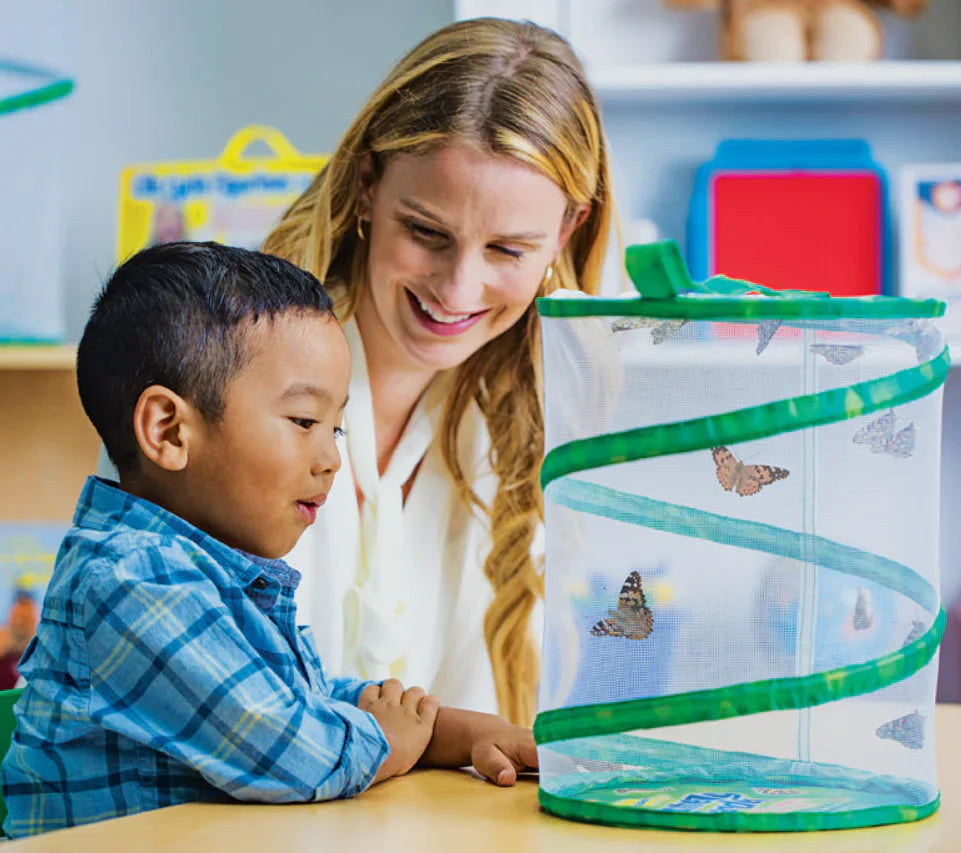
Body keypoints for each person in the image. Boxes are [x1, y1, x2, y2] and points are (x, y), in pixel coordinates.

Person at [2, 242, 535, 838]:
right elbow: (291, 753)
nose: (332, 458)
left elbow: (304, 695)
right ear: (168, 430)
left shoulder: (213, 571)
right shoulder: (131, 580)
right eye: (305, 422)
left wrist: (450, 730)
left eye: (336, 427)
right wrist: (387, 738)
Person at [261, 17, 615, 726]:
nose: (457, 290)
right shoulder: (223, 356)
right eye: (426, 233)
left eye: (508, 250)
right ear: (366, 186)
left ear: (567, 230)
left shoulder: (527, 416)